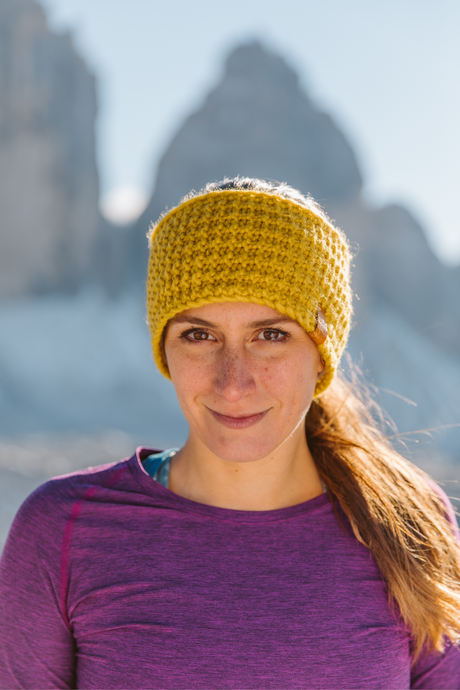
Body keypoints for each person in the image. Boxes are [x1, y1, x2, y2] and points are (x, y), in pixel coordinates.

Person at [1, 177, 460, 690]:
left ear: (322, 351)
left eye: (271, 335)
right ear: (164, 348)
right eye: (199, 335)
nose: (234, 384)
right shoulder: (63, 530)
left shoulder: (410, 526)